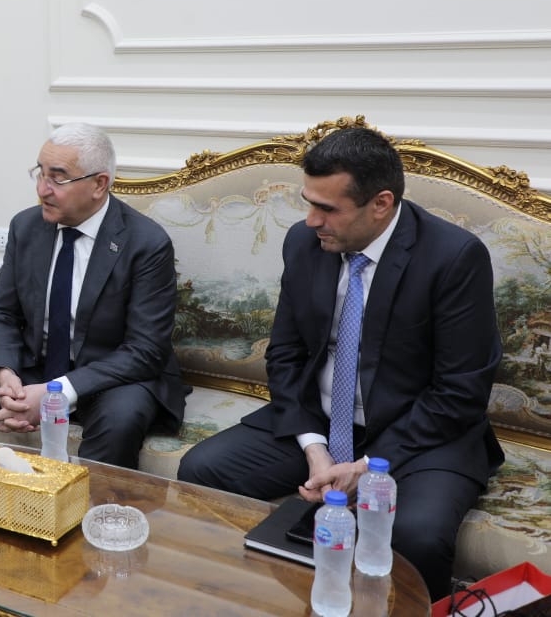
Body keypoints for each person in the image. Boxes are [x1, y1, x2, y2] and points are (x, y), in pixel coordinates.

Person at [177, 126, 503, 600]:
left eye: (328, 209)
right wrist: (315, 448)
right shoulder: (304, 242)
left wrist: (368, 466)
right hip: (323, 422)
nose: (312, 220)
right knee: (203, 469)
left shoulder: (453, 257)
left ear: (381, 204)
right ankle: (256, 600)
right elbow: (285, 354)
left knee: (416, 535)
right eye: (308, 203)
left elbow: (460, 391)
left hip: (422, 435)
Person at [0, 123, 188, 468]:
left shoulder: (146, 243)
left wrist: (53, 393)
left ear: (99, 184)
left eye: (57, 178)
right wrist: (6, 377)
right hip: (36, 366)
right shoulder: (27, 227)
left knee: (121, 418)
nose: (42, 189)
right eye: (40, 173)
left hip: (112, 377)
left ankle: (85, 503)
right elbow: (1, 312)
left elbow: (145, 351)